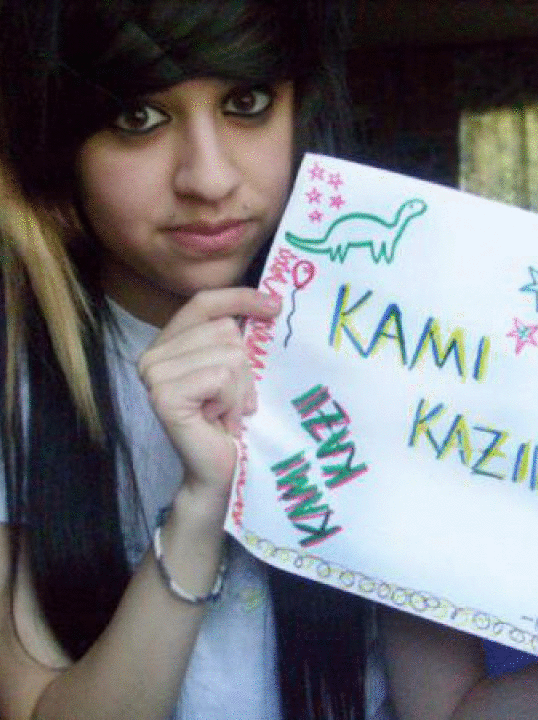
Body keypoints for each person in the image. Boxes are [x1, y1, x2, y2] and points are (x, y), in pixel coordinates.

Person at [0, 2, 536, 720]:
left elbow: (450, 709)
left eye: (247, 103)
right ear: (58, 139)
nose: (209, 179)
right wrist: (200, 508)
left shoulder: (387, 347)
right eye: (137, 117)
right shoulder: (21, 383)